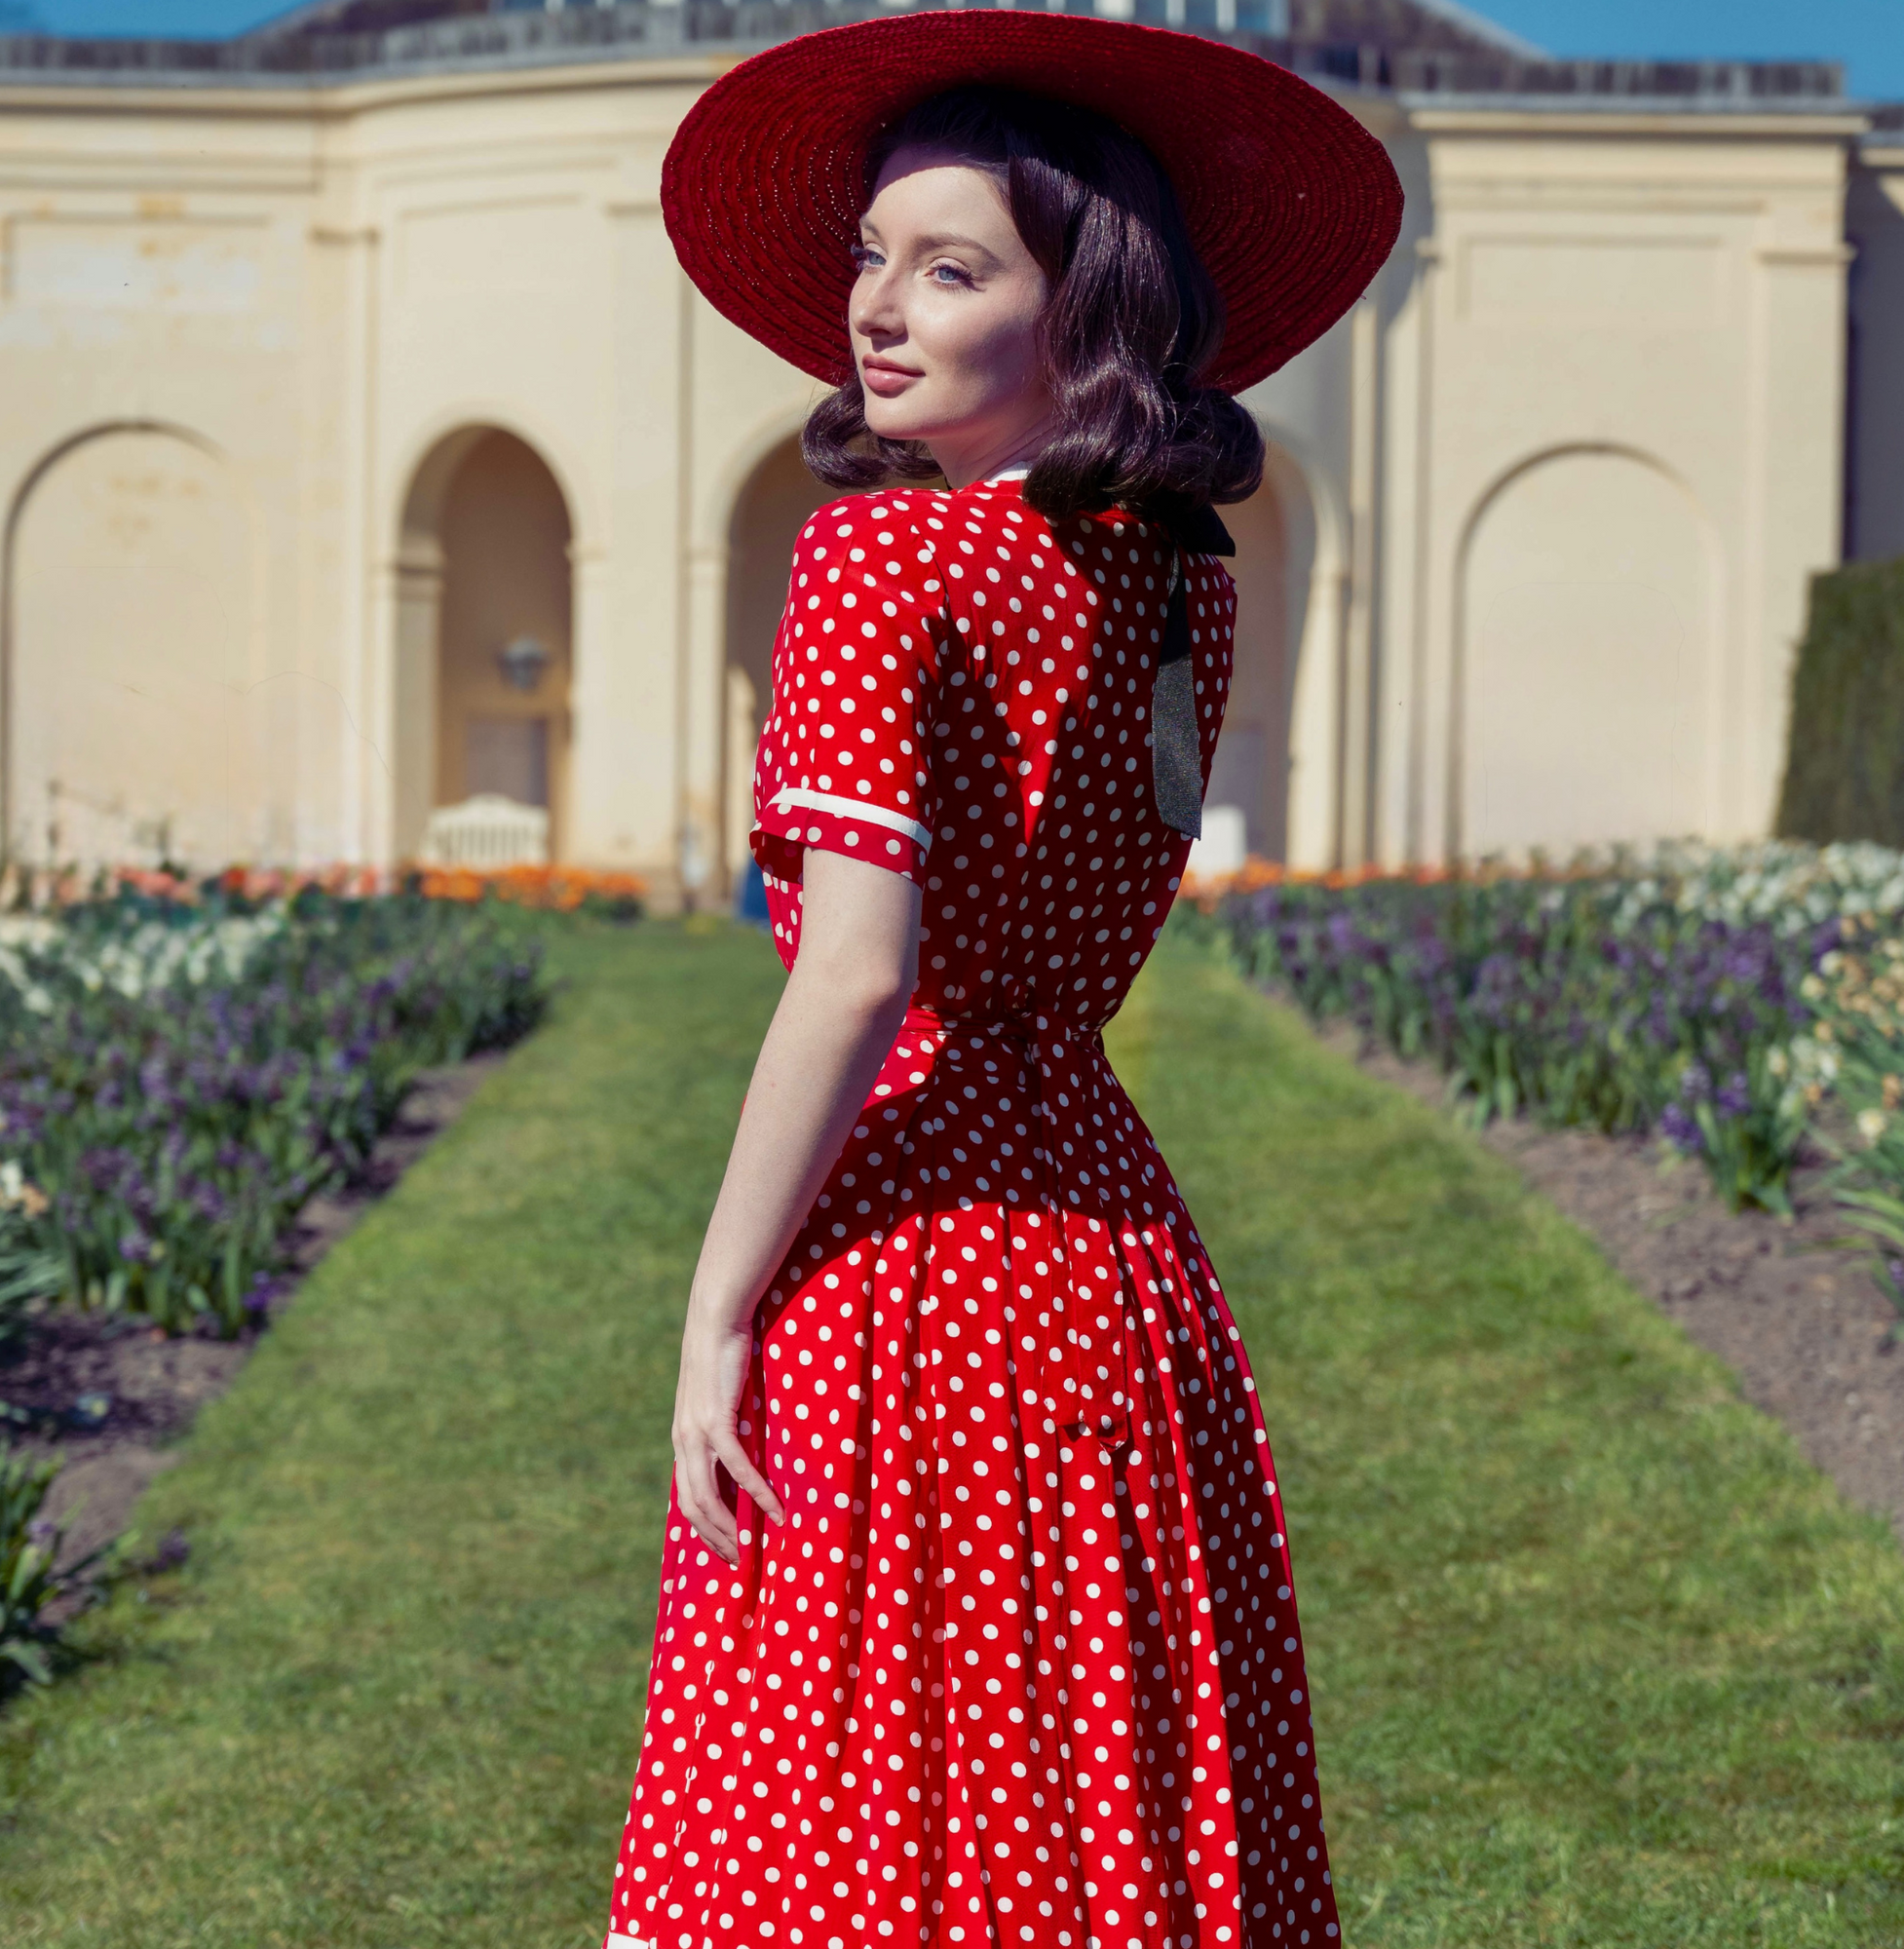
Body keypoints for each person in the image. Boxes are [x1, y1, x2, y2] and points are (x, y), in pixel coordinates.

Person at [607, 16, 1400, 1949]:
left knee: (833, 1792)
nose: (878, 308)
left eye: (952, 268)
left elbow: (857, 978)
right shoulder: (1182, 588)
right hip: (1107, 1255)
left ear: (1082, 305)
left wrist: (717, 1306)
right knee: (1066, 1778)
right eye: (872, 255)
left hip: (903, 1252)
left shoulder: (880, 559)